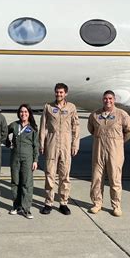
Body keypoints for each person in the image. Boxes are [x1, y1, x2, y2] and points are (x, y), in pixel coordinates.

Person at [87, 90, 130, 217]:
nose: (107, 101)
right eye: (105, 99)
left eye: (110, 99)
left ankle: (116, 206)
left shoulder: (121, 114)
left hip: (115, 152)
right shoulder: (95, 115)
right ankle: (97, 203)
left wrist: (119, 142)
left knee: (115, 179)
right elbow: (91, 129)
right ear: (102, 100)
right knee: (97, 178)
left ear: (114, 100)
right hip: (98, 151)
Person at [39, 83, 80, 215]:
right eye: (57, 92)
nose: (59, 94)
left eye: (61, 92)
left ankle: (63, 203)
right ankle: (48, 203)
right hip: (51, 144)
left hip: (66, 145)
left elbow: (76, 127)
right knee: (50, 174)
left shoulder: (71, 107)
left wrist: (75, 144)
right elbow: (43, 127)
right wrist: (41, 143)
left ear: (66, 93)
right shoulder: (48, 107)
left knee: (65, 176)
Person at [6, 104, 39, 219]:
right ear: (18, 113)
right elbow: (4, 132)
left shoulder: (33, 128)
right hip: (15, 158)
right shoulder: (14, 125)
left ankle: (26, 209)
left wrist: (35, 160)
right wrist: (7, 143)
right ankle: (16, 206)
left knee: (26, 183)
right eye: (21, 112)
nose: (23, 114)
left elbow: (36, 145)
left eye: (25, 112)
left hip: (27, 158)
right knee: (15, 182)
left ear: (29, 113)